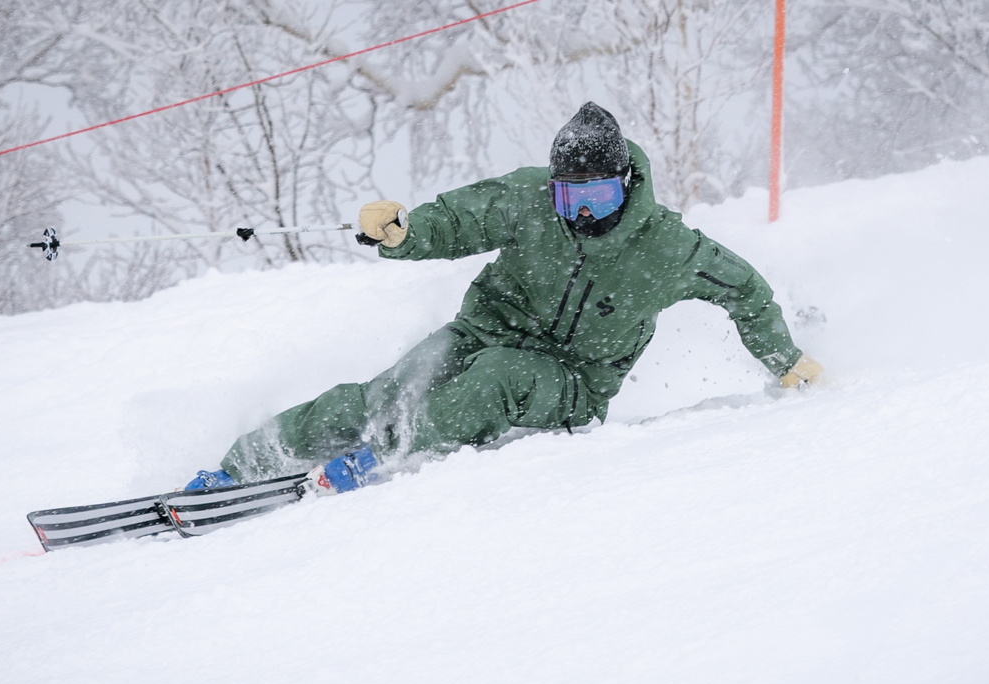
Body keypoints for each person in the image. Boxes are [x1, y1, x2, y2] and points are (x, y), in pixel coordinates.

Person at [186, 102, 823, 494]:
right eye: (568, 198)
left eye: (595, 198)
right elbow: (457, 219)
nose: (580, 213)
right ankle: (243, 466)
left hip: (573, 381)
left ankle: (383, 454)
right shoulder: (527, 199)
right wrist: (407, 233)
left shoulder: (665, 249)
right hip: (482, 331)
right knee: (388, 391)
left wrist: (786, 359)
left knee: (495, 379)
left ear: (626, 186)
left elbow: (747, 292)